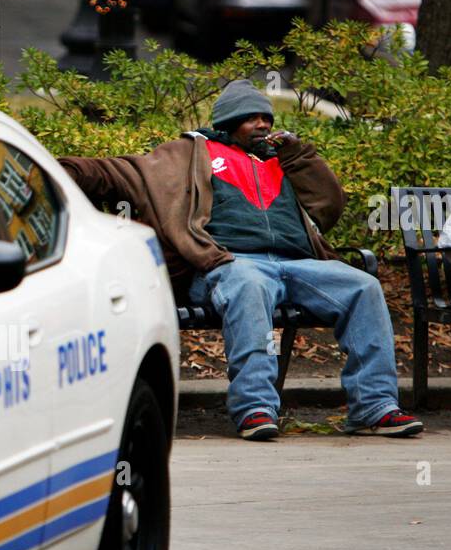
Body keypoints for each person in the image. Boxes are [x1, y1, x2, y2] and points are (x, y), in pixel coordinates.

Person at [58, 79, 422, 440]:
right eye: (251, 118)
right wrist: (49, 169)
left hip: (296, 264)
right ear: (228, 124)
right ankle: (256, 408)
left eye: (266, 117)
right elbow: (115, 173)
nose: (263, 124)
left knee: (364, 286)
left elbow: (329, 206)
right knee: (250, 285)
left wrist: (299, 156)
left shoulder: (282, 161)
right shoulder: (188, 155)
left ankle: (375, 407)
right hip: (230, 264)